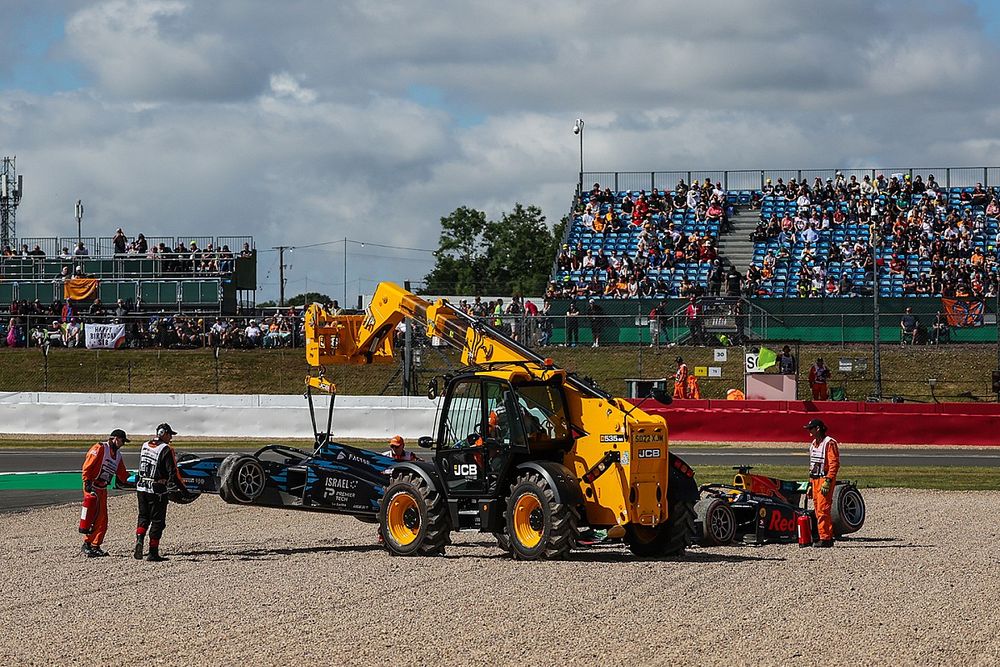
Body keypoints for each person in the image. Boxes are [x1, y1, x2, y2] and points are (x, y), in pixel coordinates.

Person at [134, 423, 189, 561]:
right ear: (163, 433)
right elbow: (173, 472)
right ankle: (153, 552)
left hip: (141, 487)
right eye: (170, 435)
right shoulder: (166, 449)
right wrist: (184, 490)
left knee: (143, 517)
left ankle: (139, 540)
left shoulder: (145, 445)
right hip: (157, 489)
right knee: (158, 521)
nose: (171, 438)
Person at [80, 429, 133, 557]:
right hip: (92, 486)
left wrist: (135, 479)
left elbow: (122, 474)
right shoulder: (100, 448)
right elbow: (87, 465)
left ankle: (95, 545)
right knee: (93, 516)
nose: (123, 444)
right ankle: (87, 544)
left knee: (103, 518)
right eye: (122, 441)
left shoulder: (118, 456)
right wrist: (86, 481)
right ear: (115, 438)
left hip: (103, 488)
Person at [804, 419, 841, 548]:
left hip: (824, 480)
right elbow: (812, 466)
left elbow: (834, 464)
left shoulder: (829, 443)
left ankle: (826, 538)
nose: (809, 431)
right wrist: (809, 484)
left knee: (823, 509)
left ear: (818, 429)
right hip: (814, 480)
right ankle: (822, 535)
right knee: (817, 509)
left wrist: (829, 480)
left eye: (810, 428)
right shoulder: (813, 444)